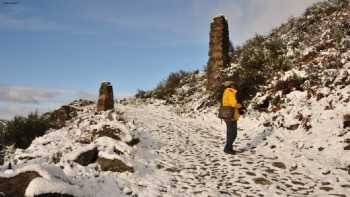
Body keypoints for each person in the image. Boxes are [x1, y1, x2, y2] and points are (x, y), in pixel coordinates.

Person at [222, 81, 241, 154]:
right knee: (233, 133)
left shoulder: (226, 91)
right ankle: (227, 148)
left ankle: (229, 148)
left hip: (228, 115)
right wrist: (240, 106)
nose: (234, 86)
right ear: (230, 85)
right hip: (230, 116)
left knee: (230, 133)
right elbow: (234, 103)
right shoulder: (229, 91)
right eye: (233, 84)